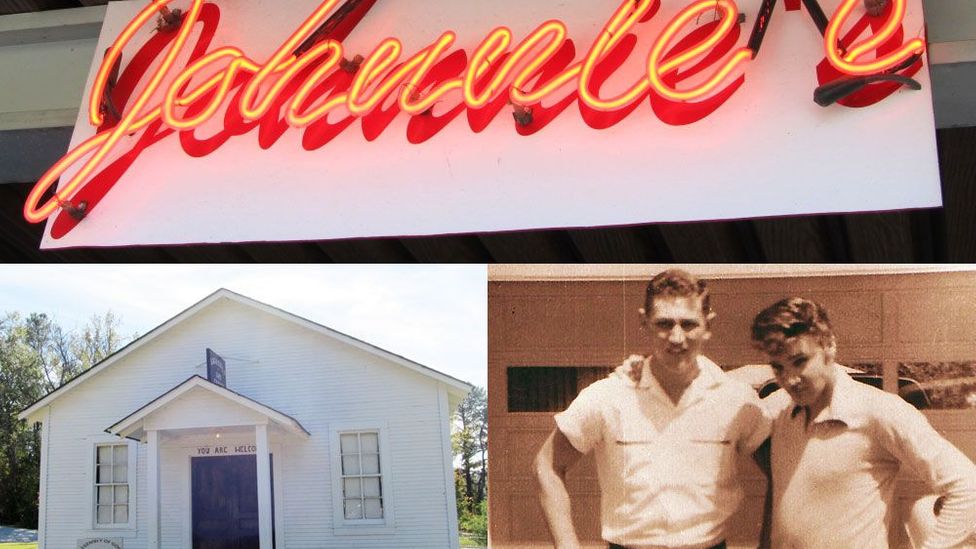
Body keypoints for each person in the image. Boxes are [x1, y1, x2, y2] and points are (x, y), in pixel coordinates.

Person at [534, 269, 770, 549]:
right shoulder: (609, 396)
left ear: (708, 325)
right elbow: (547, 465)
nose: (676, 337)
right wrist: (567, 545)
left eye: (689, 324)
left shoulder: (736, 400)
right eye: (664, 324)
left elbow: (782, 474)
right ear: (643, 322)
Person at [751, 297, 976, 549]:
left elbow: (968, 487)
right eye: (778, 367)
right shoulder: (780, 408)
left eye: (800, 361)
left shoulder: (879, 410)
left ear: (829, 346)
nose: (790, 379)